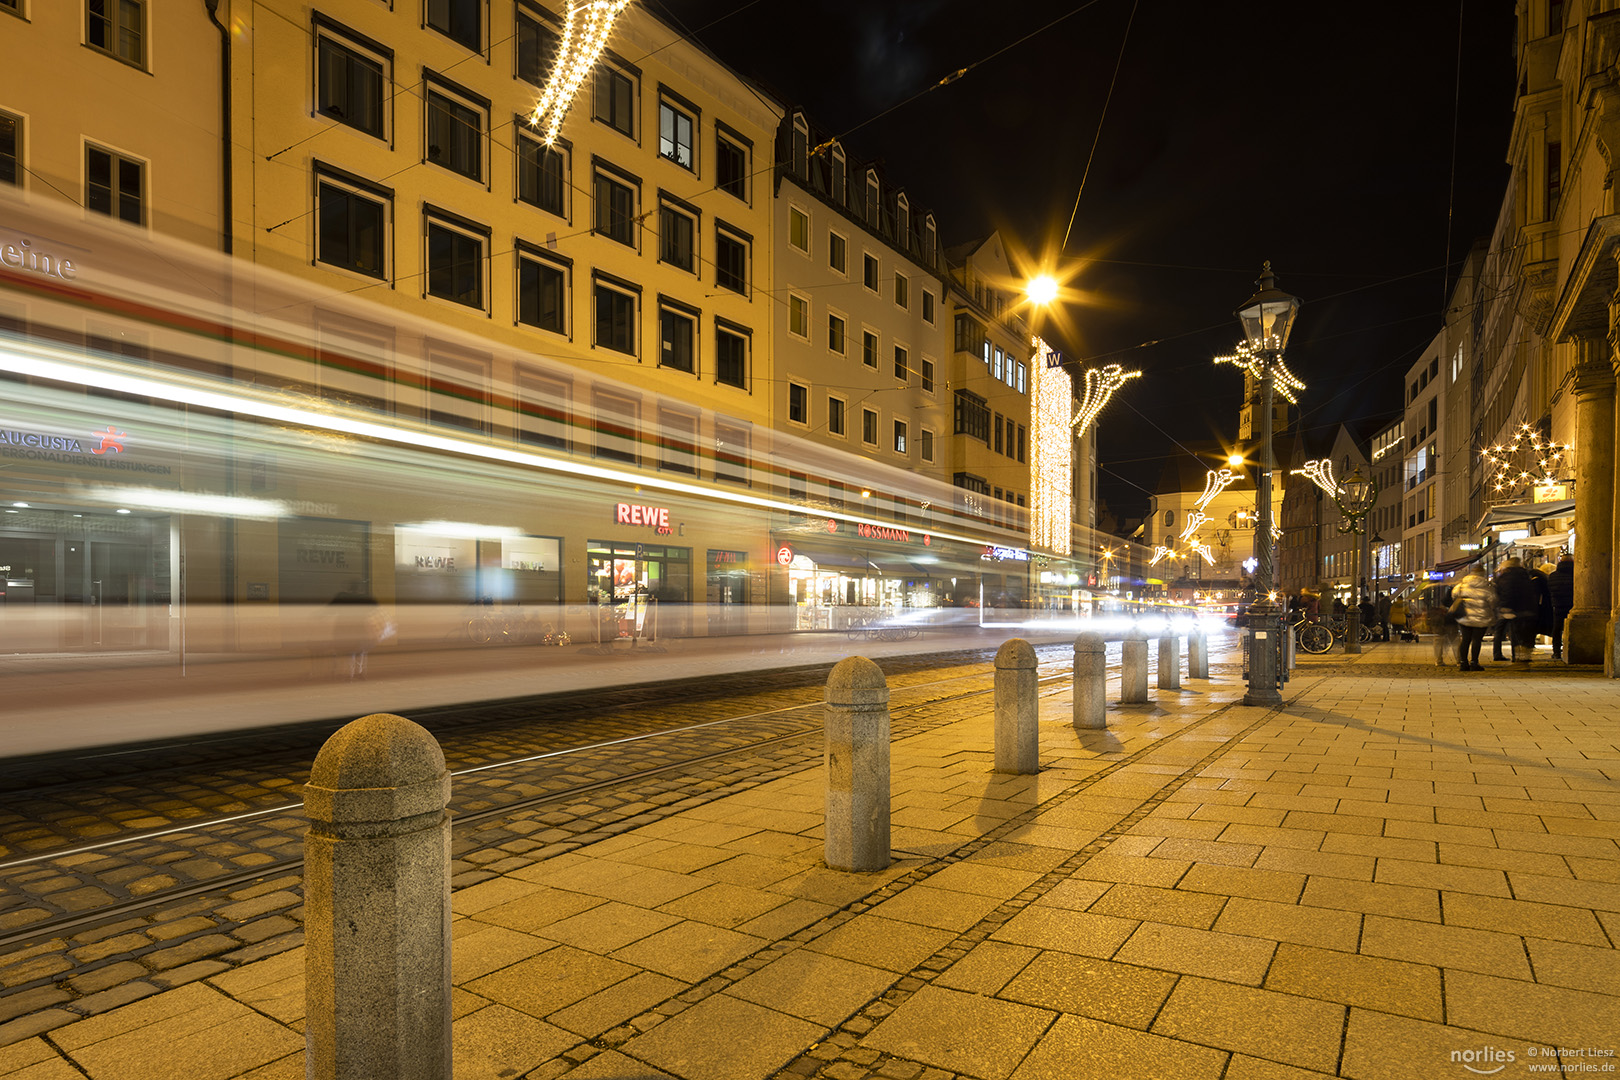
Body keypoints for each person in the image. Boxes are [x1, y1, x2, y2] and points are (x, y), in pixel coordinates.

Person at [1493, 556, 1538, 663]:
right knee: (1520, 632)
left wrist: (1504, 606)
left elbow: (1504, 592)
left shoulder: (1505, 577)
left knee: (1504, 632)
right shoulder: (1524, 575)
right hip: (1524, 607)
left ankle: (1503, 654)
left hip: (1509, 608)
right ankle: (1520, 655)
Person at [1451, 566, 1496, 671]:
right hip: (1481, 617)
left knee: (1465, 639)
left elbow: (1454, 594)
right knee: (1477, 640)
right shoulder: (1486, 585)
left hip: (1465, 616)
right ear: (1482, 573)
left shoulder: (1463, 583)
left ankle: (1463, 663)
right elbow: (1493, 599)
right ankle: (1474, 662)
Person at [1548, 554, 1574, 660]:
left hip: (1558, 605)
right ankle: (1571, 650)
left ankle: (1556, 652)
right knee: (1572, 627)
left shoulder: (1553, 575)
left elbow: (1549, 590)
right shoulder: (1575, 574)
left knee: (1557, 629)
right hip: (1572, 605)